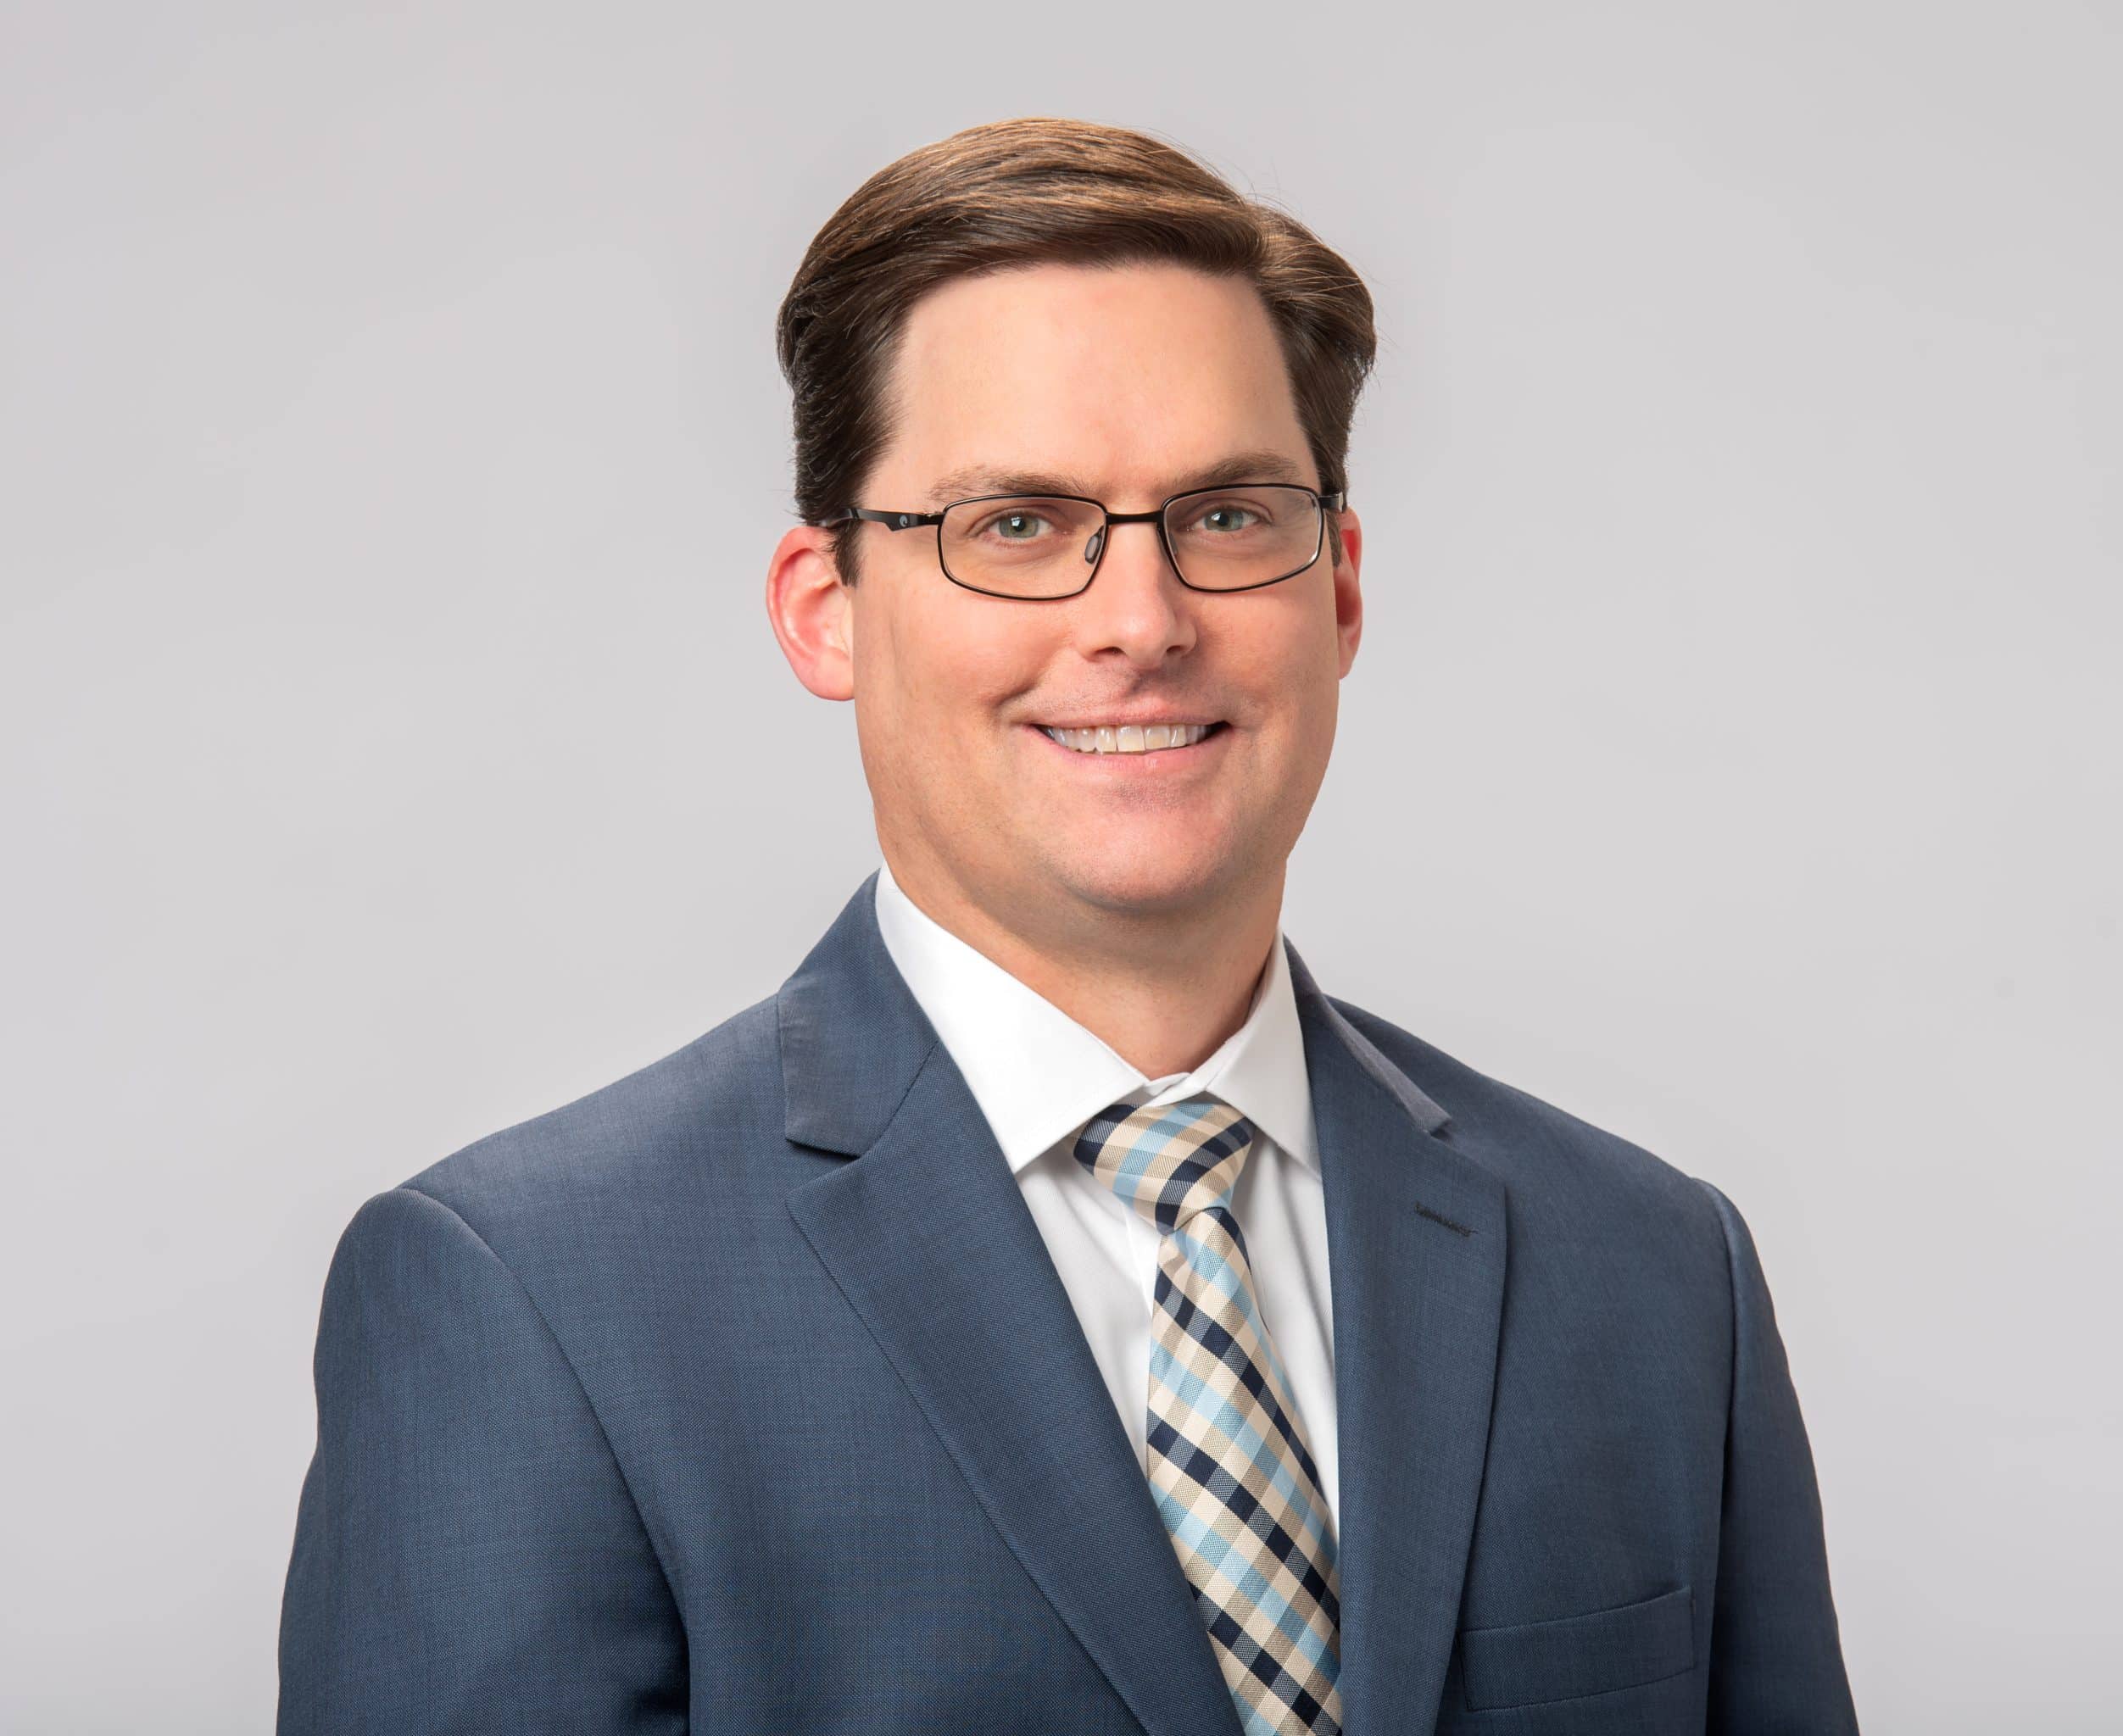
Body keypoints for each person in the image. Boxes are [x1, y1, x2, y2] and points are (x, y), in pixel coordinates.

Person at [276, 116, 1857, 1735]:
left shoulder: (1653, 1272)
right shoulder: (532, 1300)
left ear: (1339, 589)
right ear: (826, 612)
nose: (1141, 623)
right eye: (1017, 526)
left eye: (1228, 515)